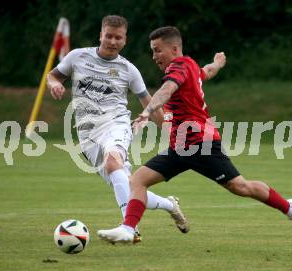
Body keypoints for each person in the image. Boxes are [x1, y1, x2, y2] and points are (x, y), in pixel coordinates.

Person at [98, 26, 292, 243]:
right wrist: (218, 63)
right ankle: (128, 229)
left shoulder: (179, 67)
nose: (154, 56)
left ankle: (290, 208)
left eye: (157, 50)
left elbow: (166, 90)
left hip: (202, 144)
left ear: (174, 48)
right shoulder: (190, 66)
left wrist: (147, 112)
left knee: (241, 187)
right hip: (180, 146)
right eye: (152, 51)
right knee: (138, 180)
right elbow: (206, 72)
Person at [46, 17, 189, 243]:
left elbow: (149, 104)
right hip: (87, 134)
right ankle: (170, 204)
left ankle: (129, 228)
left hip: (116, 124)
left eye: (118, 37)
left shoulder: (128, 70)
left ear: (125, 40)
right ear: (100, 35)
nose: (112, 41)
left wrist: (171, 132)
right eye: (109, 36)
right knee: (129, 185)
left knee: (114, 161)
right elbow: (53, 75)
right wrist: (54, 83)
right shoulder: (77, 56)